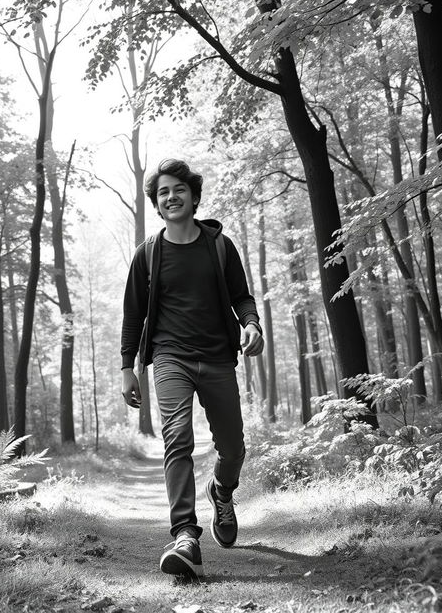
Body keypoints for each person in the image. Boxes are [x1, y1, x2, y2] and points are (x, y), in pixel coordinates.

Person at [120, 158, 264, 579]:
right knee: (177, 439)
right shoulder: (148, 254)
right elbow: (132, 316)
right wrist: (128, 368)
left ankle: (222, 490)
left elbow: (242, 296)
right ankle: (185, 534)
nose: (171, 196)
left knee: (233, 448)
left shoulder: (220, 246)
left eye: (178, 189)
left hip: (218, 358)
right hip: (169, 358)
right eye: (163, 192)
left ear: (194, 197)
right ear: (157, 204)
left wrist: (251, 324)